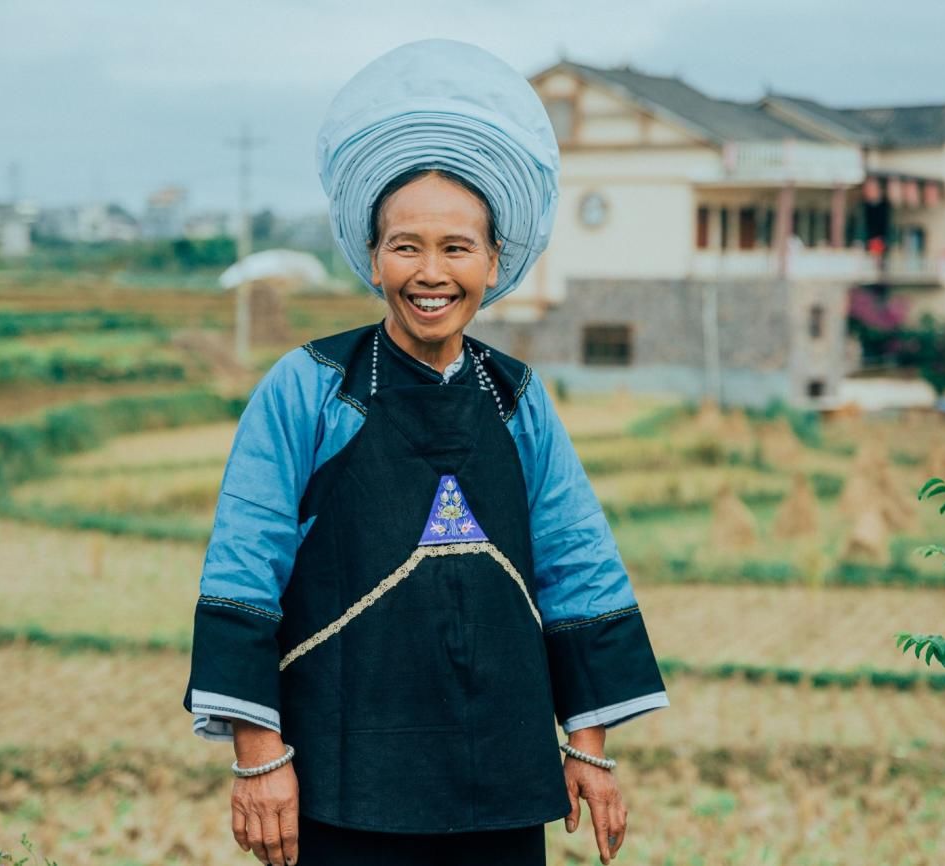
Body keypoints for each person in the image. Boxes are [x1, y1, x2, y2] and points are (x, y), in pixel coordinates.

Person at [182, 38, 669, 866]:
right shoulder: (309, 388)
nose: (430, 272)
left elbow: (576, 564)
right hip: (343, 773)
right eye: (406, 245)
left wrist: (586, 747)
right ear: (372, 259)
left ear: (493, 262)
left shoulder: (517, 396)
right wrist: (258, 756)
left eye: (456, 248)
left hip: (501, 773)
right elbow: (242, 566)